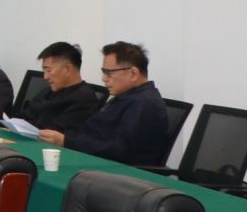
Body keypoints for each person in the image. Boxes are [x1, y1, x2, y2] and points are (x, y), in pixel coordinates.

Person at [40, 41, 172, 169]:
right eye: (104, 72)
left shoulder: (144, 103)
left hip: (120, 173)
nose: (104, 78)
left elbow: (119, 150)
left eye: (109, 73)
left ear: (133, 73)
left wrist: (67, 141)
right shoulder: (126, 97)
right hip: (94, 163)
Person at [14, 41, 104, 134]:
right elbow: (25, 116)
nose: (45, 77)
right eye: (44, 71)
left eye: (49, 70)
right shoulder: (47, 91)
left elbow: (56, 133)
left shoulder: (85, 99)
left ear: (67, 69)